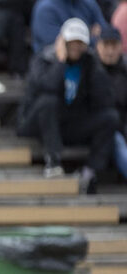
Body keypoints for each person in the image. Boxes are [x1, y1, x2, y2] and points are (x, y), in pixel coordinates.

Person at [19, 17, 117, 192]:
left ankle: (90, 171)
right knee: (48, 101)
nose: (76, 47)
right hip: (39, 123)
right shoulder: (44, 59)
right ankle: (53, 161)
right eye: (72, 42)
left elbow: (104, 99)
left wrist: (94, 63)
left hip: (69, 123)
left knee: (110, 117)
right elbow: (47, 87)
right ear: (62, 41)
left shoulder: (89, 63)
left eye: (80, 43)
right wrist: (61, 61)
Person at [97, 26, 127, 179]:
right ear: (98, 46)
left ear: (121, 47)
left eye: (113, 45)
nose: (109, 51)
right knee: (117, 140)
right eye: (106, 45)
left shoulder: (124, 70)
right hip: (102, 129)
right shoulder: (90, 69)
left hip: (123, 125)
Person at [32, 0, 109, 52]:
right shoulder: (45, 9)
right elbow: (65, 46)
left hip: (89, 64)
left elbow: (106, 36)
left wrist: (78, 39)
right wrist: (89, 34)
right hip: (52, 66)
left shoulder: (88, 3)